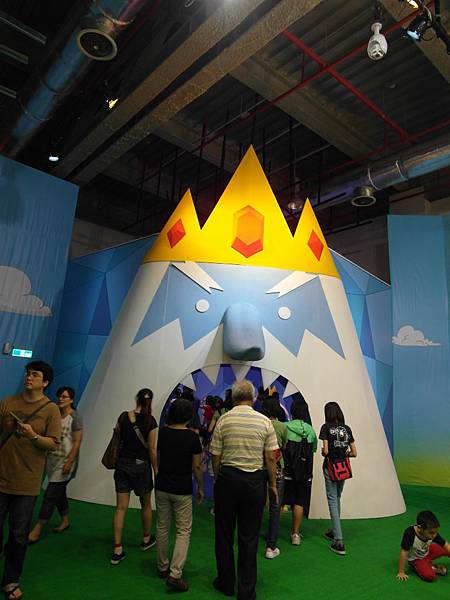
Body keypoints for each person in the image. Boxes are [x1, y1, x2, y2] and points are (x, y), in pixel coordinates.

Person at [210, 380, 278, 600]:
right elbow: (270, 457)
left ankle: (226, 583)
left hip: (227, 480)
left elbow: (215, 454)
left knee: (224, 535)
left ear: (233, 397)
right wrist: (272, 485)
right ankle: (246, 591)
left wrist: (218, 476)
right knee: (249, 538)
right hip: (254, 482)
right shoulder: (264, 421)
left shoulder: (223, 419)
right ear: (253, 398)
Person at [0, 360, 61, 600]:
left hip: (27, 483)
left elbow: (53, 443)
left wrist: (33, 435)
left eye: (35, 374)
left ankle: (11, 581)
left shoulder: (51, 409)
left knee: (18, 535)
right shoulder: (8, 402)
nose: (29, 377)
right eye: (28, 373)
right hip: (1, 477)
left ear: (45, 382)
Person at [155, 398, 203, 592]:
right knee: (183, 531)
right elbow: (197, 466)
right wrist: (201, 487)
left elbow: (156, 455)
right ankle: (175, 574)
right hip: (182, 488)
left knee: (162, 526)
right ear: (189, 415)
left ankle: (162, 566)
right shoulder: (192, 438)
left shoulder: (162, 433)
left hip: (162, 485)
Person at [28, 386, 83, 542]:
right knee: (59, 492)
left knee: (50, 495)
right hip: (52, 460)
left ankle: (38, 528)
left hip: (65, 462)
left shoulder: (75, 417)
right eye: (60, 396)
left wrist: (69, 462)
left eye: (65, 396)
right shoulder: (55, 414)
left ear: (71, 400)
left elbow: (77, 441)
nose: (61, 399)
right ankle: (65, 520)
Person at [110, 388, 158, 565]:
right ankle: (146, 539)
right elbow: (152, 449)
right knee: (145, 504)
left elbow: (117, 438)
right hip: (142, 466)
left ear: (136, 399)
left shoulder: (123, 416)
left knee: (120, 508)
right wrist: (156, 469)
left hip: (122, 464)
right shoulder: (151, 421)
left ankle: (117, 549)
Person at [319, 401, 357, 556]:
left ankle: (339, 541)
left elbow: (326, 451)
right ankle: (335, 531)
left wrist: (324, 452)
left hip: (330, 467)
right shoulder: (347, 429)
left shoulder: (325, 428)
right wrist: (344, 453)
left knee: (332, 500)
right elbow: (354, 453)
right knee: (337, 498)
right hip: (343, 468)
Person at [283, 397, 317, 546]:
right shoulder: (311, 431)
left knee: (280, 502)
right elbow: (313, 449)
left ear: (292, 411)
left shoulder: (285, 427)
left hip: (286, 471)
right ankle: (295, 534)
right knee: (299, 502)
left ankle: (273, 532)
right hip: (304, 473)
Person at [260, 397, 287, 559]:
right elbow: (284, 447)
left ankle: (251, 536)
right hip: (276, 469)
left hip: (259, 468)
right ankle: (271, 546)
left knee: (257, 504)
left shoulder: (260, 423)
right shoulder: (282, 427)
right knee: (275, 507)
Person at [397, 510, 450, 582]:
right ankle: (432, 568)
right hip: (416, 559)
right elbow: (403, 552)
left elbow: (445, 544)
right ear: (419, 528)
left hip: (427, 550)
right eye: (431, 533)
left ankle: (429, 565)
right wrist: (401, 572)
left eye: (436, 532)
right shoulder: (409, 534)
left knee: (447, 549)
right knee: (430, 576)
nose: (434, 535)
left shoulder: (432, 533)